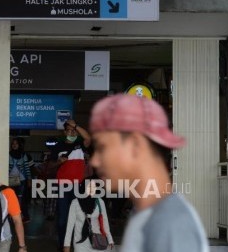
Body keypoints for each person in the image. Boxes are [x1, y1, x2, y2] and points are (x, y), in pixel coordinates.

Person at [89, 94, 208, 252]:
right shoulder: (145, 215)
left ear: (135, 145)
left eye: (102, 147)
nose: (94, 161)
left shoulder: (170, 224)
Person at [51, 119, 91, 250]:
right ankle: (63, 244)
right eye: (69, 130)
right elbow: (50, 165)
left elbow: (88, 138)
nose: (72, 133)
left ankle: (75, 243)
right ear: (64, 132)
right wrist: (59, 162)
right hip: (63, 186)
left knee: (78, 216)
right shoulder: (58, 147)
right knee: (63, 218)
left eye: (74, 131)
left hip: (78, 186)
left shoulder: (80, 144)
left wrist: (76, 125)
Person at [63, 178, 114, 252]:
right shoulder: (75, 203)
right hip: (80, 243)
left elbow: (105, 222)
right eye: (89, 186)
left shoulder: (100, 202)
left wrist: (110, 239)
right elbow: (70, 226)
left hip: (97, 241)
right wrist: (67, 245)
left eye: (94, 187)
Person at [8, 137, 32, 223]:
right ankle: (12, 216)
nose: (14, 145)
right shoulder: (8, 154)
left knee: (21, 199)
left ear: (19, 145)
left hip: (22, 180)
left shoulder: (23, 155)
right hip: (10, 180)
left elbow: (27, 168)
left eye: (16, 144)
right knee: (11, 199)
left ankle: (24, 216)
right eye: (13, 144)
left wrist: (29, 179)